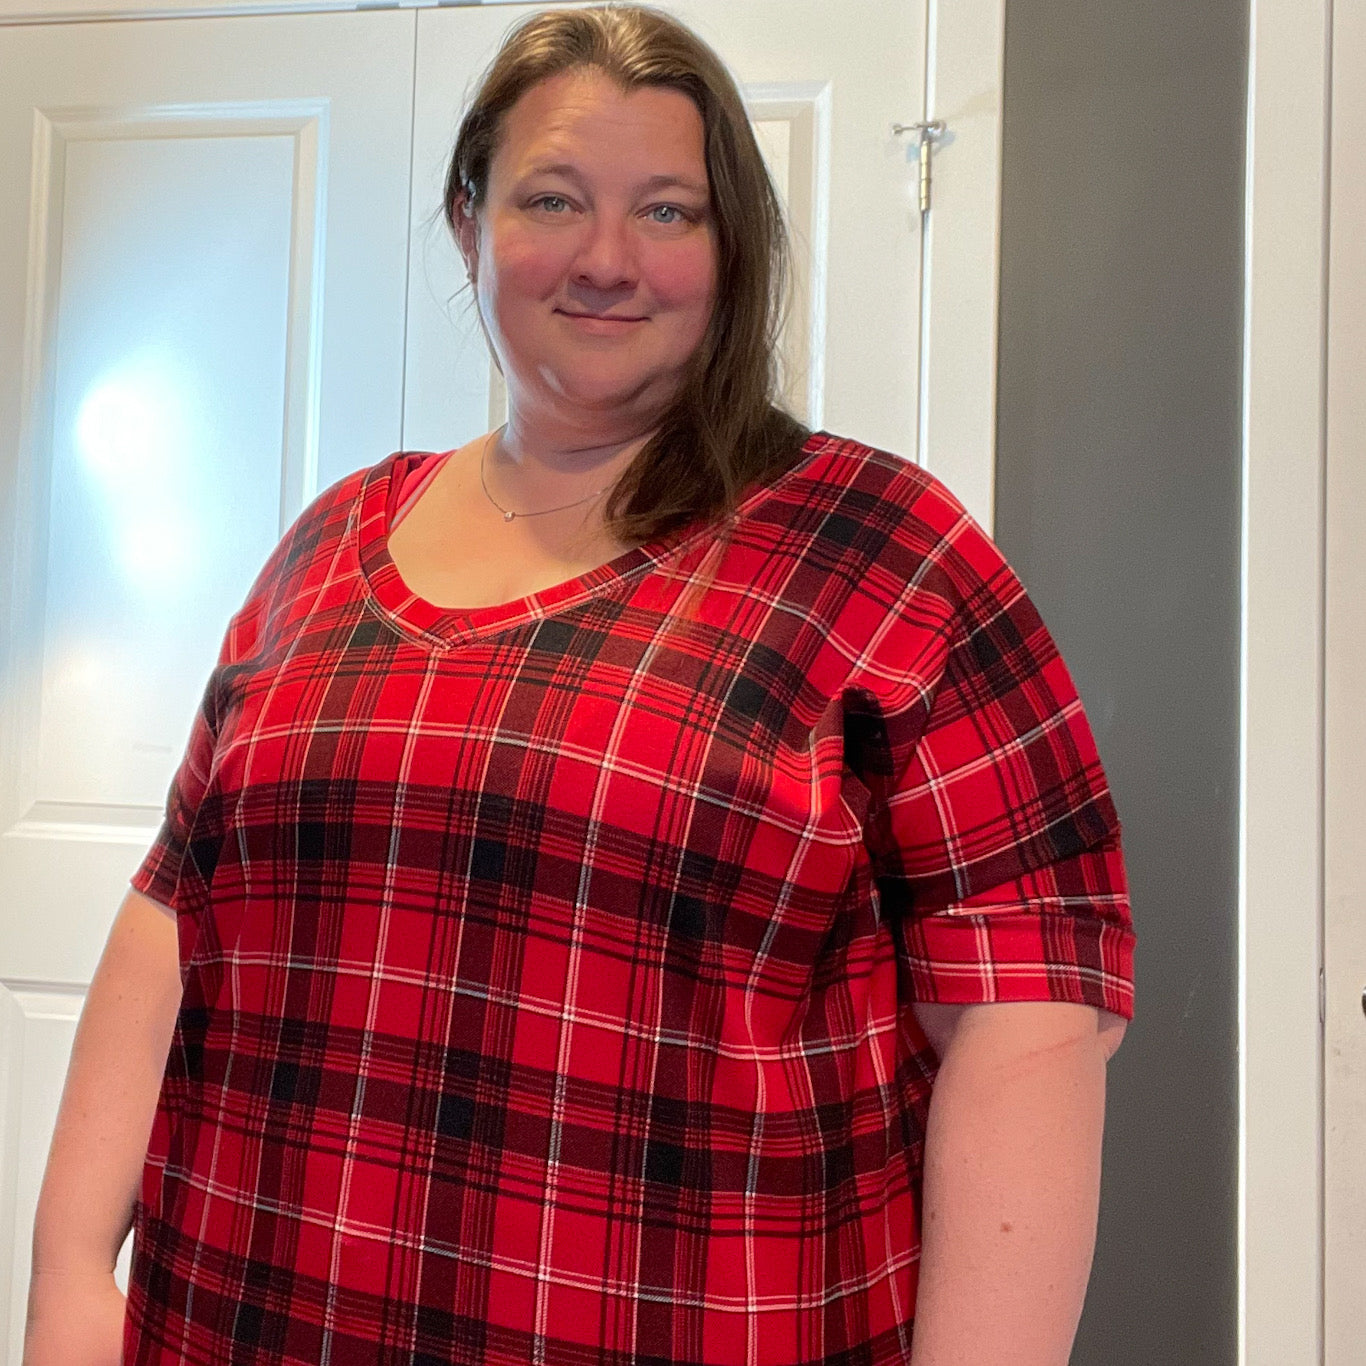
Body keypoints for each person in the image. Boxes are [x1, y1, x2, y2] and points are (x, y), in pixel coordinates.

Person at [24, 6, 1136, 1365]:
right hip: (242, 1315)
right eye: (552, 199)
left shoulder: (880, 552)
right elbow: (173, 912)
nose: (608, 259)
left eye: (667, 210)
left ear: (733, 248)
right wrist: (70, 1269)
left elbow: (1029, 1013)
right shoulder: (330, 542)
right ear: (468, 224)